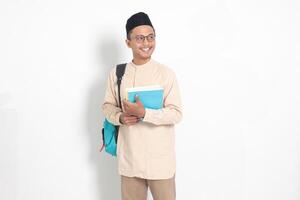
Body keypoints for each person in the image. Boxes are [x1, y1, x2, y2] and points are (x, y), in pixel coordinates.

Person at [101, 12, 182, 200]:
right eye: (139, 38)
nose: (146, 43)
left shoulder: (166, 74)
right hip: (130, 160)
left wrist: (144, 113)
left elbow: (176, 113)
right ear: (128, 42)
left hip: (160, 162)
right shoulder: (118, 73)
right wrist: (120, 117)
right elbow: (107, 106)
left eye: (150, 37)